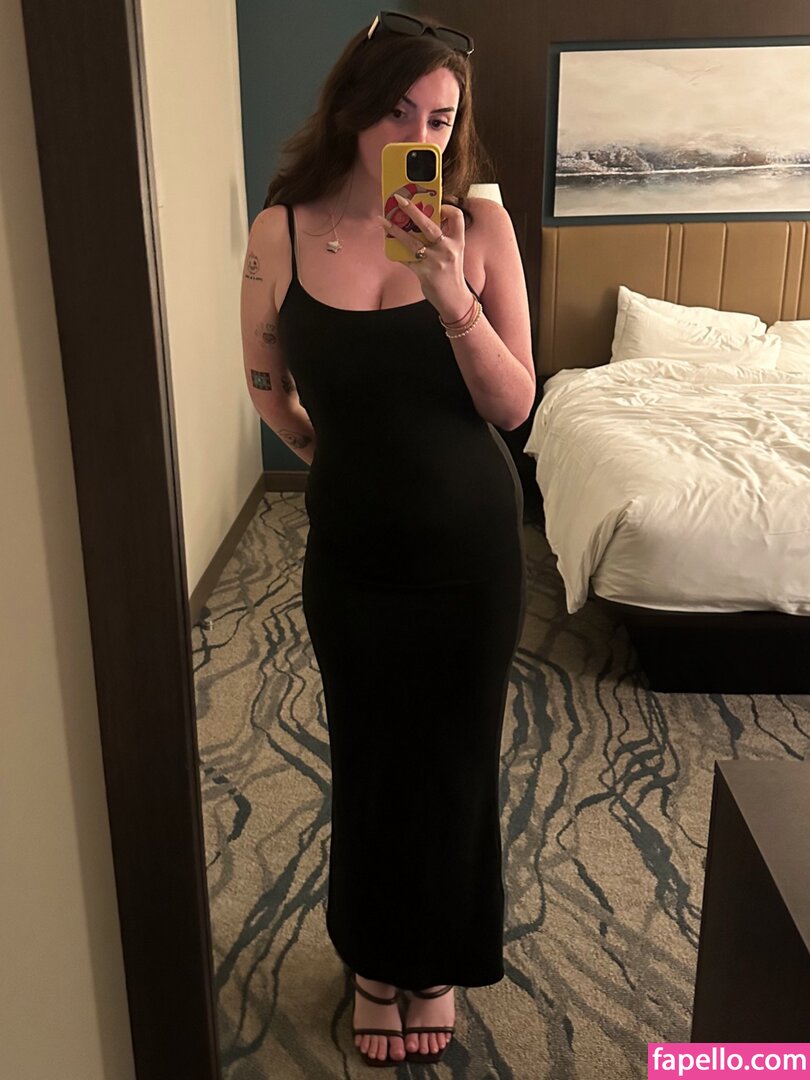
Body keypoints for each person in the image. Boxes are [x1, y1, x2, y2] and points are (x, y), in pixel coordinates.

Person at [240, 10, 534, 1068]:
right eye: (398, 110)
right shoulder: (281, 231)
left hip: (471, 555)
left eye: (440, 119)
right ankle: (374, 960)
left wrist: (452, 290)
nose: (418, 133)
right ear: (354, 108)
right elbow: (266, 385)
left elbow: (515, 406)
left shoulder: (480, 230)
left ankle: (437, 961)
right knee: (368, 758)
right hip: (353, 554)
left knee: (455, 762)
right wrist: (336, 460)